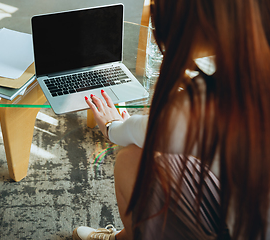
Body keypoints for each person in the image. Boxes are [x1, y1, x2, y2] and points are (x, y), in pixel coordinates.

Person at [72, 0, 270, 239]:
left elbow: (147, 131)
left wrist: (112, 127)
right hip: (245, 211)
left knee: (130, 160)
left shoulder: (207, 102)